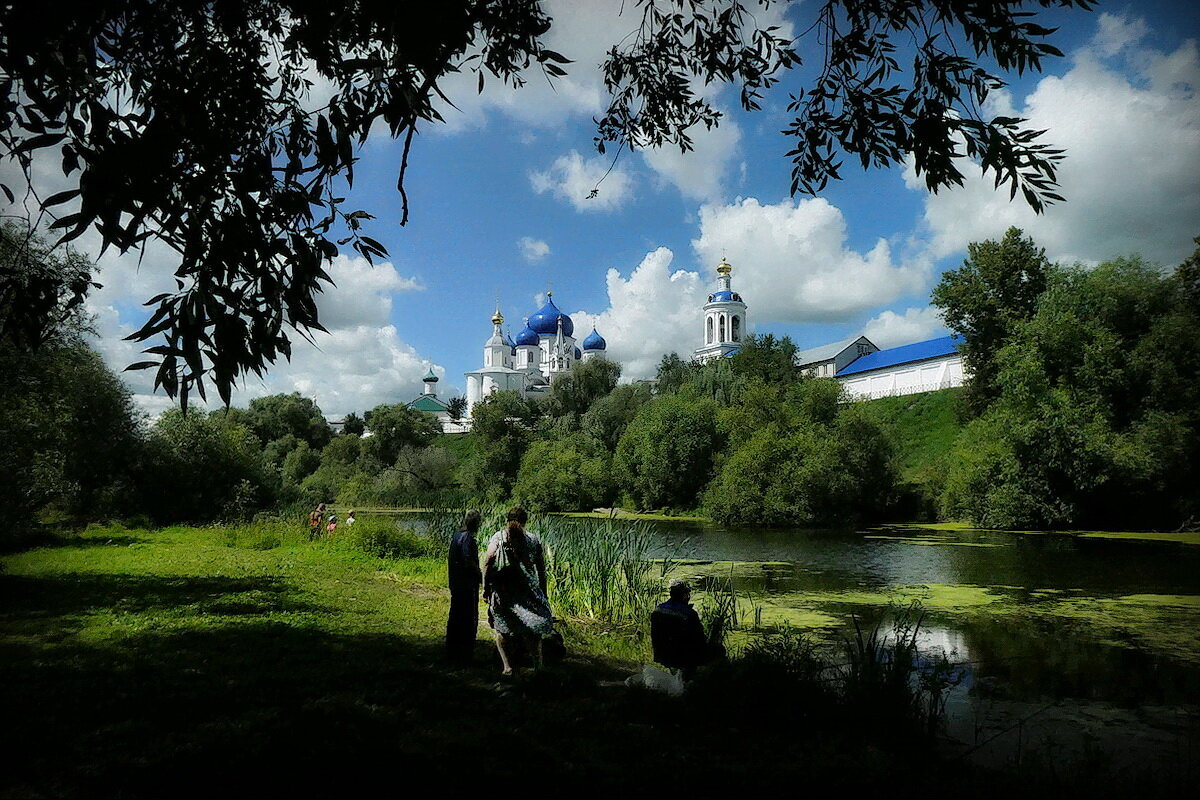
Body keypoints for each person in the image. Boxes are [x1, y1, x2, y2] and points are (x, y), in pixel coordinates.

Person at [483, 507, 554, 676]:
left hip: (505, 590)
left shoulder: (498, 537)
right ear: (525, 521)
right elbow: (541, 570)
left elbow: (487, 562)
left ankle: (508, 667)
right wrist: (543, 593)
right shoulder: (533, 539)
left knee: (503, 629)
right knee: (533, 631)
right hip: (528, 590)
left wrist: (485, 588)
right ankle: (538, 666)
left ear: (507, 520)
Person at [651, 579, 712, 681]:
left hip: (662, 653)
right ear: (684, 595)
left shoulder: (658, 609)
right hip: (683, 655)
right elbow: (699, 638)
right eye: (688, 594)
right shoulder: (689, 614)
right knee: (718, 650)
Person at [445, 510, 483, 663]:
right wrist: (480, 575)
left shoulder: (457, 535)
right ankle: (465, 653)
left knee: (455, 615)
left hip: (455, 583)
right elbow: (468, 560)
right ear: (475, 523)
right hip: (466, 584)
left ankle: (452, 649)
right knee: (468, 618)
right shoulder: (467, 538)